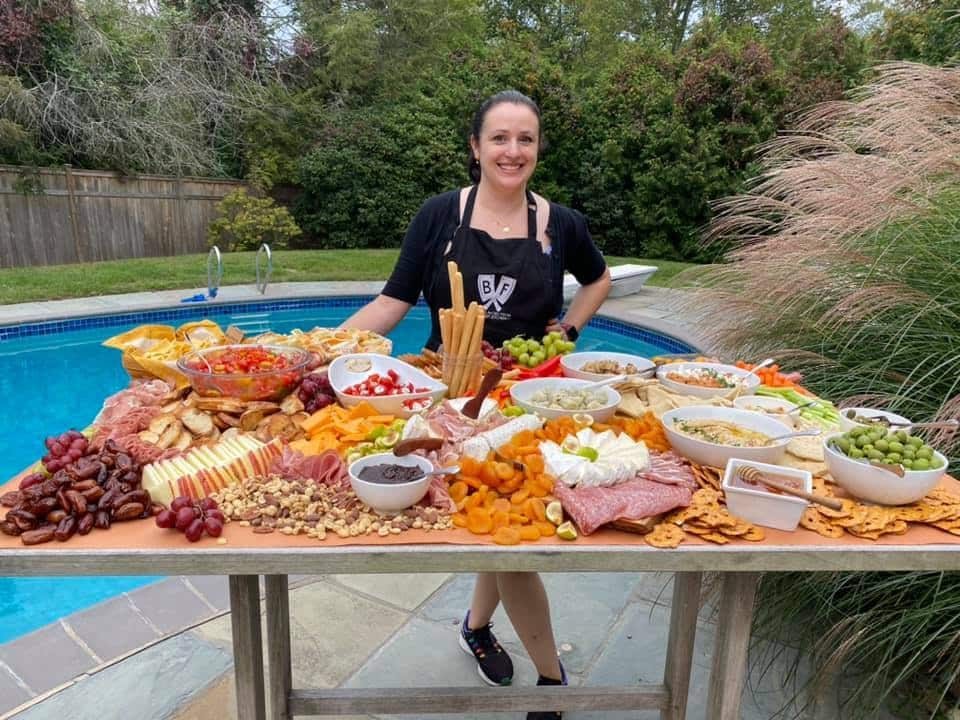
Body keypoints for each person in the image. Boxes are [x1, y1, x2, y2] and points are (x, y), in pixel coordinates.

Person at [343, 89, 611, 719]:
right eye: (499, 138)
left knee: (507, 532)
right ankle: (531, 665)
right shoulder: (440, 215)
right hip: (451, 399)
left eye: (525, 139)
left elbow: (597, 279)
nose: (512, 151)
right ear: (476, 146)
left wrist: (569, 331)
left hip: (526, 400)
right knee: (501, 531)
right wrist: (328, 351)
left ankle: (516, 656)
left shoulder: (561, 224)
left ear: (538, 148)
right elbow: (392, 302)